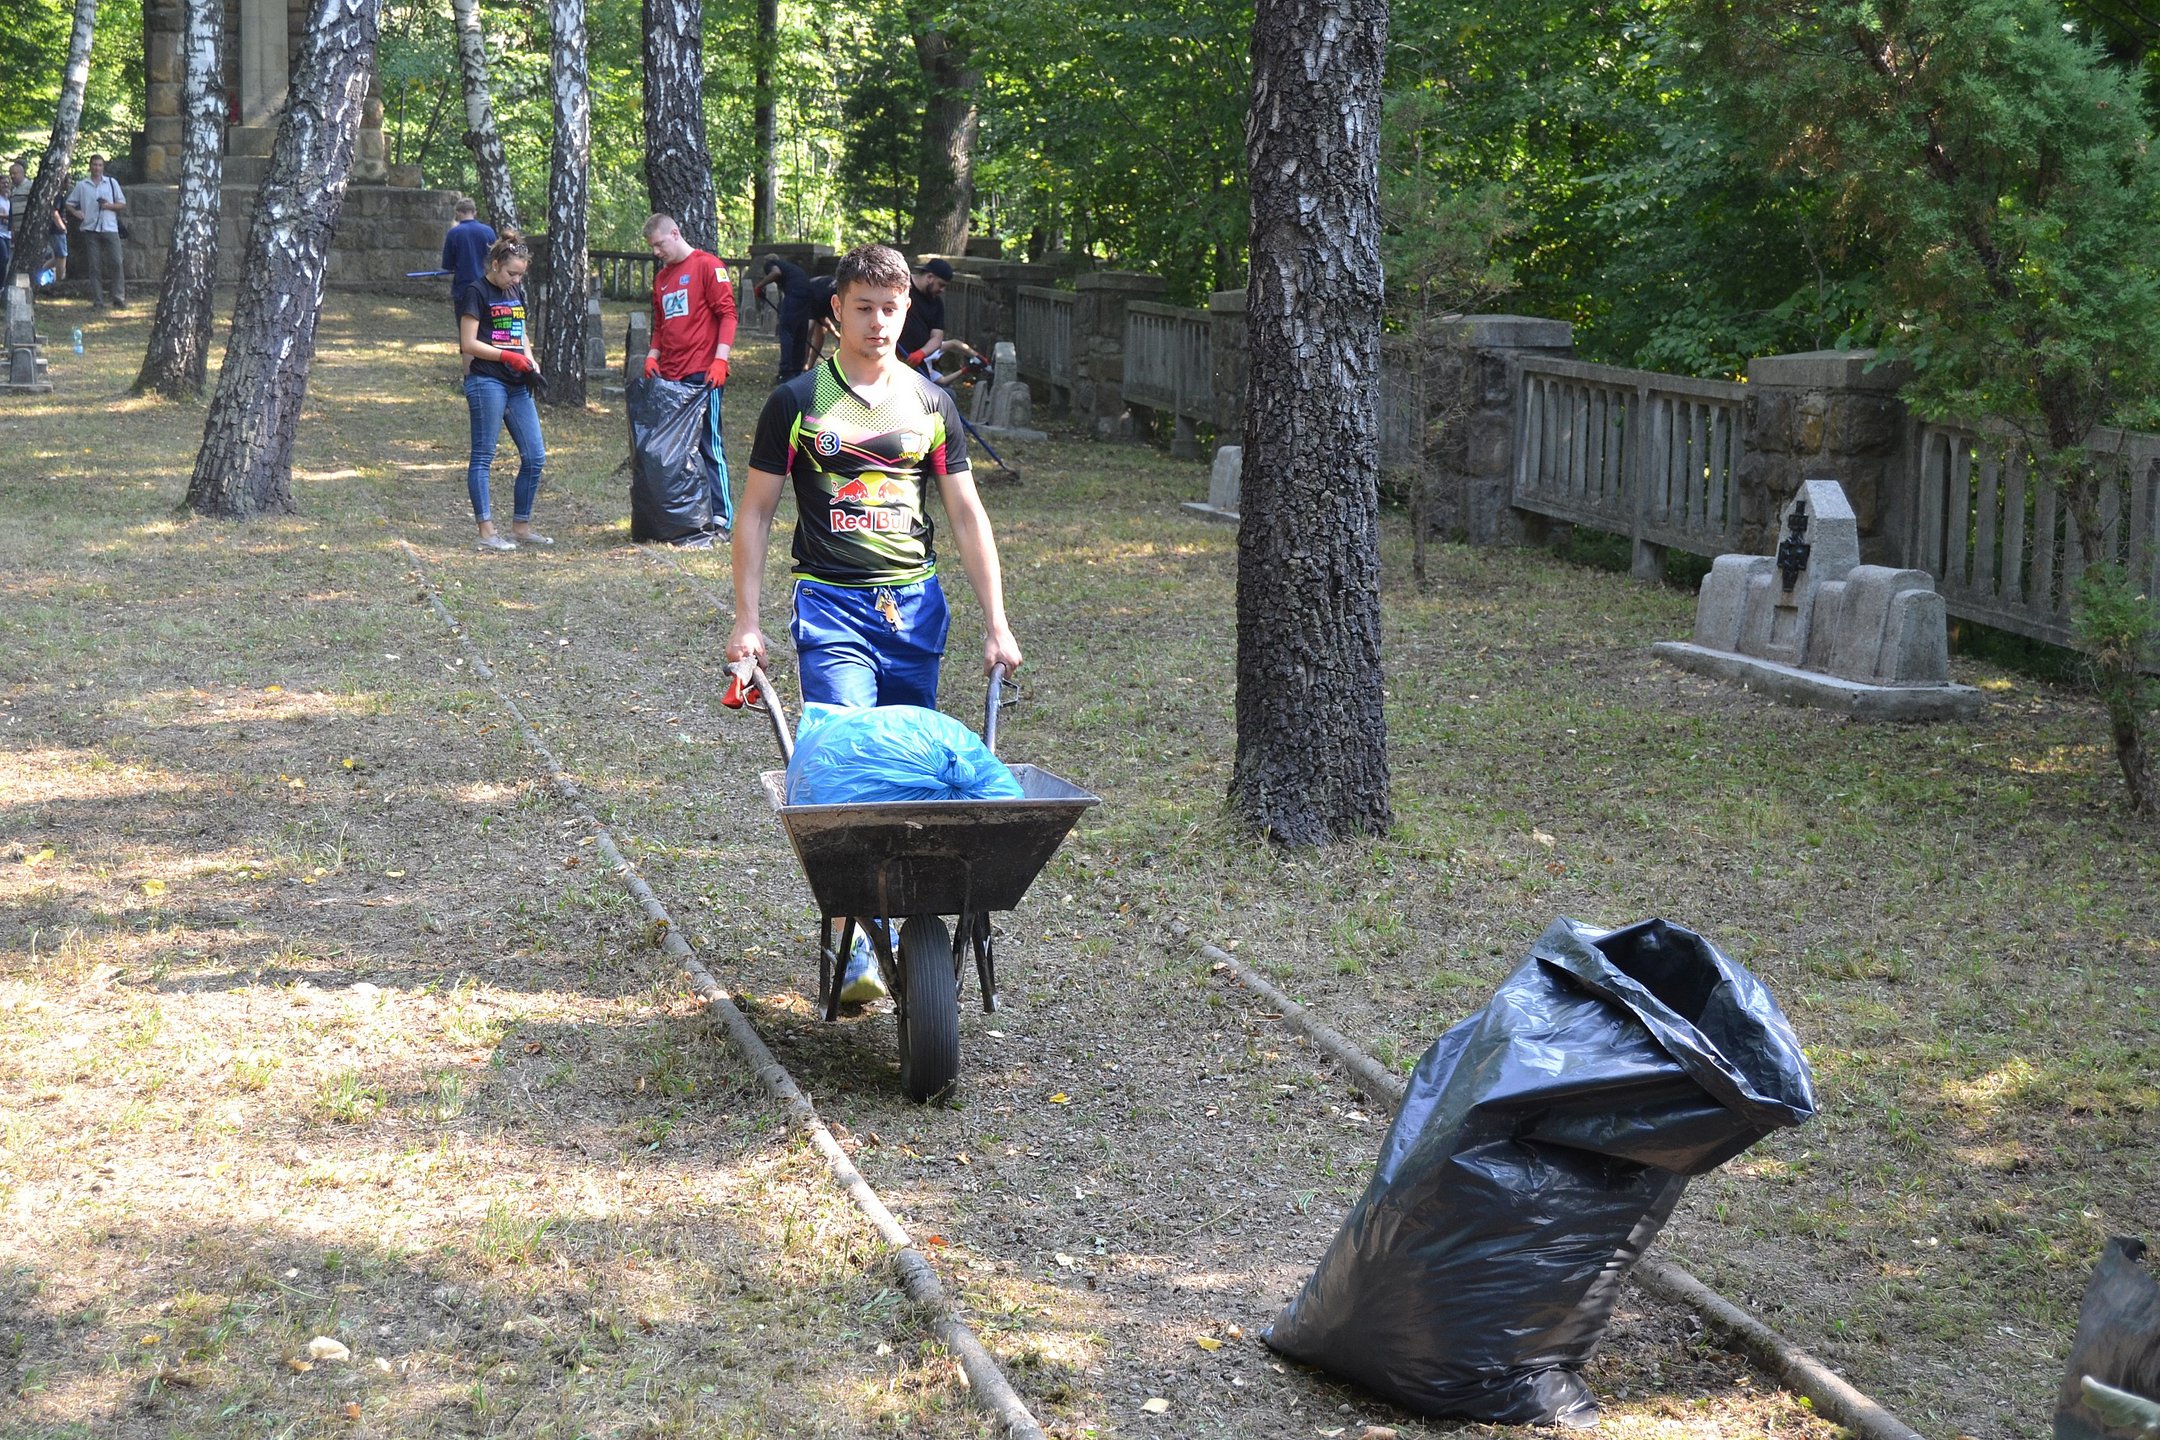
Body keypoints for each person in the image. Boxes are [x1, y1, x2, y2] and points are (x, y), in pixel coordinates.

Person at [728, 243, 1023, 1003]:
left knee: (910, 770)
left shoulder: (930, 403)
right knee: (847, 756)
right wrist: (746, 621)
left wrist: (997, 622)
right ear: (837, 310)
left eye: (891, 308)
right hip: (831, 604)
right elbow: (755, 513)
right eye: (863, 307)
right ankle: (855, 934)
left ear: (906, 309)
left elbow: (966, 513)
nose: (879, 322)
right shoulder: (796, 402)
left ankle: (906, 913)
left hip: (915, 608)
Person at [642, 213, 739, 534]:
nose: (656, 252)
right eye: (652, 247)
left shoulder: (707, 266)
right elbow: (661, 324)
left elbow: (727, 315)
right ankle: (687, 513)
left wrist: (720, 360)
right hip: (670, 377)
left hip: (703, 375)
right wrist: (653, 356)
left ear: (675, 233)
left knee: (709, 445)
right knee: (676, 449)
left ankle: (722, 516)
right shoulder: (662, 279)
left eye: (659, 244)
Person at [455, 233, 549, 553]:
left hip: (518, 383)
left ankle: (521, 527)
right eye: (512, 273)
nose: (516, 280)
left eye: (521, 275)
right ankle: (487, 530)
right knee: (484, 455)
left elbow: (520, 332)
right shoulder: (476, 291)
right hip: (486, 380)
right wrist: (506, 356)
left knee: (535, 456)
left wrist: (529, 359)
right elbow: (468, 343)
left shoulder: (515, 291)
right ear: (495, 264)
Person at [64, 153, 125, 307]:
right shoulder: (82, 185)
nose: (97, 168)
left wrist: (108, 206)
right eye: (94, 165)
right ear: (90, 166)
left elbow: (122, 204)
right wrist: (76, 212)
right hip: (91, 229)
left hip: (110, 227)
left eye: (99, 165)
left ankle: (118, 297)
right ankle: (98, 300)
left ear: (103, 167)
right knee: (94, 266)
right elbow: (69, 203)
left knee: (117, 262)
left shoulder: (111, 183)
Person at [754, 253, 816, 380]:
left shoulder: (771, 264)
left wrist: (759, 285)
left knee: (787, 331)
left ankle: (786, 372)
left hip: (795, 294)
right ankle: (797, 370)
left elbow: (776, 273)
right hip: (808, 293)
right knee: (800, 332)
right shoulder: (790, 267)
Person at [440, 196, 496, 332]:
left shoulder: (454, 233)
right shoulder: (488, 231)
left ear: (458, 213)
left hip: (464, 288)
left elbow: (447, 264)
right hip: (487, 287)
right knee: (486, 330)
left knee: (466, 332)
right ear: (474, 212)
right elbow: (496, 258)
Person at [895, 257, 954, 371]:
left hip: (915, 364)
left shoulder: (937, 304)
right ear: (930, 277)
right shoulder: (901, 287)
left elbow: (937, 338)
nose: (942, 290)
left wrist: (921, 353)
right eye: (941, 285)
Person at [800, 272, 839, 372]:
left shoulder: (840, 293)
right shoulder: (824, 295)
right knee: (809, 330)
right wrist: (837, 335)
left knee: (821, 332)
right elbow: (822, 319)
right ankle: (803, 365)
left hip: (820, 295)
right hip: (808, 295)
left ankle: (810, 366)